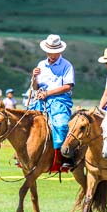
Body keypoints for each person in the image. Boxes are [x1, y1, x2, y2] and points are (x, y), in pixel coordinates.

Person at [29, 34, 75, 171]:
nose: (52, 54)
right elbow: (35, 87)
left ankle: (65, 157)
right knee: (26, 123)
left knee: (61, 125)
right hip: (41, 99)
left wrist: (48, 93)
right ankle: (25, 155)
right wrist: (34, 77)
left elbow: (68, 86)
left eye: (55, 52)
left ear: (60, 51)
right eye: (50, 52)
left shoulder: (67, 65)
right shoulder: (41, 65)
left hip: (59, 100)